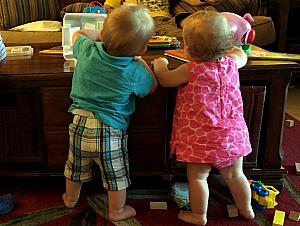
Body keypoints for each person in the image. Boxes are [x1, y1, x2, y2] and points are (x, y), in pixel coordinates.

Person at [152, 10, 255, 225]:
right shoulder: (232, 63)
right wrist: (236, 50)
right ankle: (247, 210)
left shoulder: (190, 69)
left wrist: (159, 66)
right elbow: (242, 55)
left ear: (187, 47)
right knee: (236, 175)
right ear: (226, 46)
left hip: (200, 139)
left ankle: (199, 215)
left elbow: (164, 80)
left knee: (198, 178)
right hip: (231, 137)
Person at [62, 4, 157, 222]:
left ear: (103, 33)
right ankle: (116, 210)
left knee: (74, 167)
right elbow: (151, 87)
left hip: (79, 124)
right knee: (116, 176)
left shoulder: (86, 49)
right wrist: (143, 64)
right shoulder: (133, 70)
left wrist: (100, 35)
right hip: (109, 132)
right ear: (142, 49)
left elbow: (78, 33)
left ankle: (70, 198)